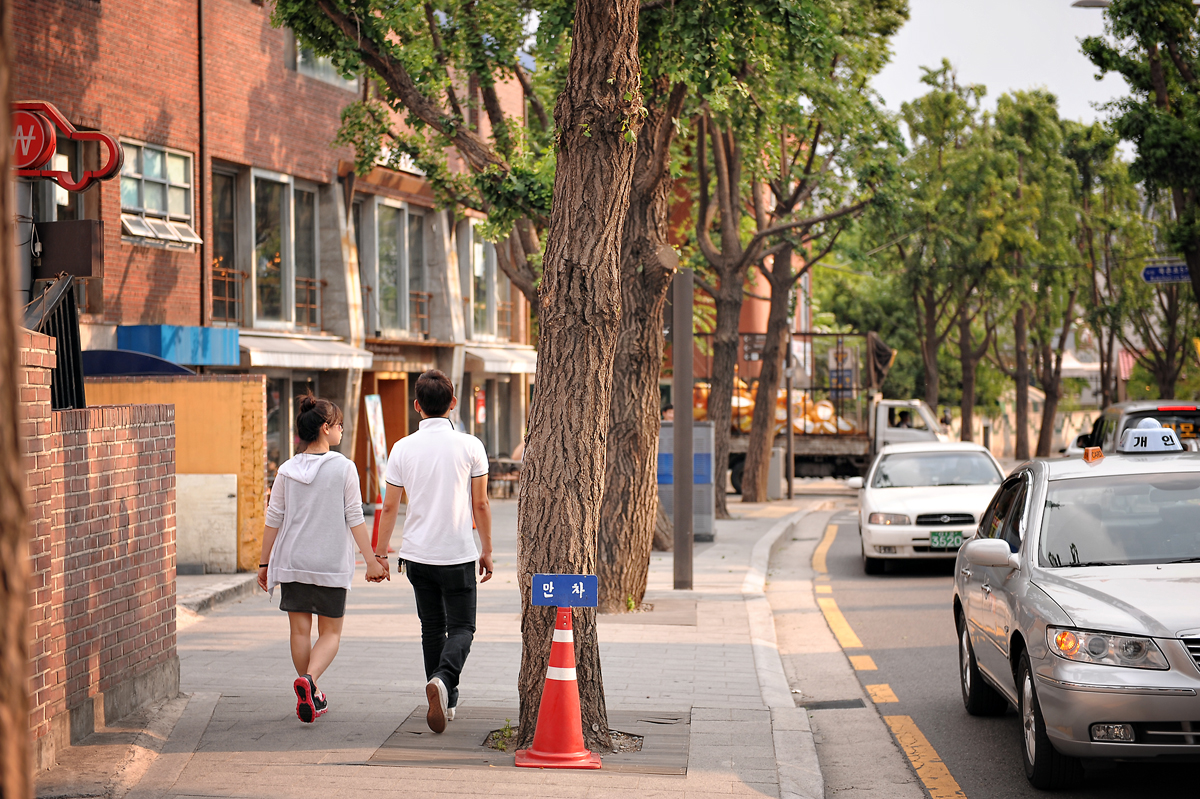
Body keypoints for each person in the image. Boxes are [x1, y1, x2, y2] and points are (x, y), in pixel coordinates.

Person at [374, 370, 493, 734]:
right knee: (463, 628)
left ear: (417, 406)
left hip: (417, 556)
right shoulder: (470, 445)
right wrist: (486, 550)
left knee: (432, 628)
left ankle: (446, 699)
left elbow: (391, 507)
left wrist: (379, 553)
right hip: (457, 554)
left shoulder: (402, 448)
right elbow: (481, 504)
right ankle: (443, 681)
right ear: (453, 403)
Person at [257, 394, 386, 724]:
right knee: (330, 634)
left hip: (293, 560)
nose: (342, 430)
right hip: (329, 563)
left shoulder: (287, 469)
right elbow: (354, 517)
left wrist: (264, 563)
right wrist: (371, 561)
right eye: (339, 425)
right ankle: (310, 684)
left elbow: (273, 517)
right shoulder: (343, 468)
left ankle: (310, 692)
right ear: (325, 428)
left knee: (300, 633)